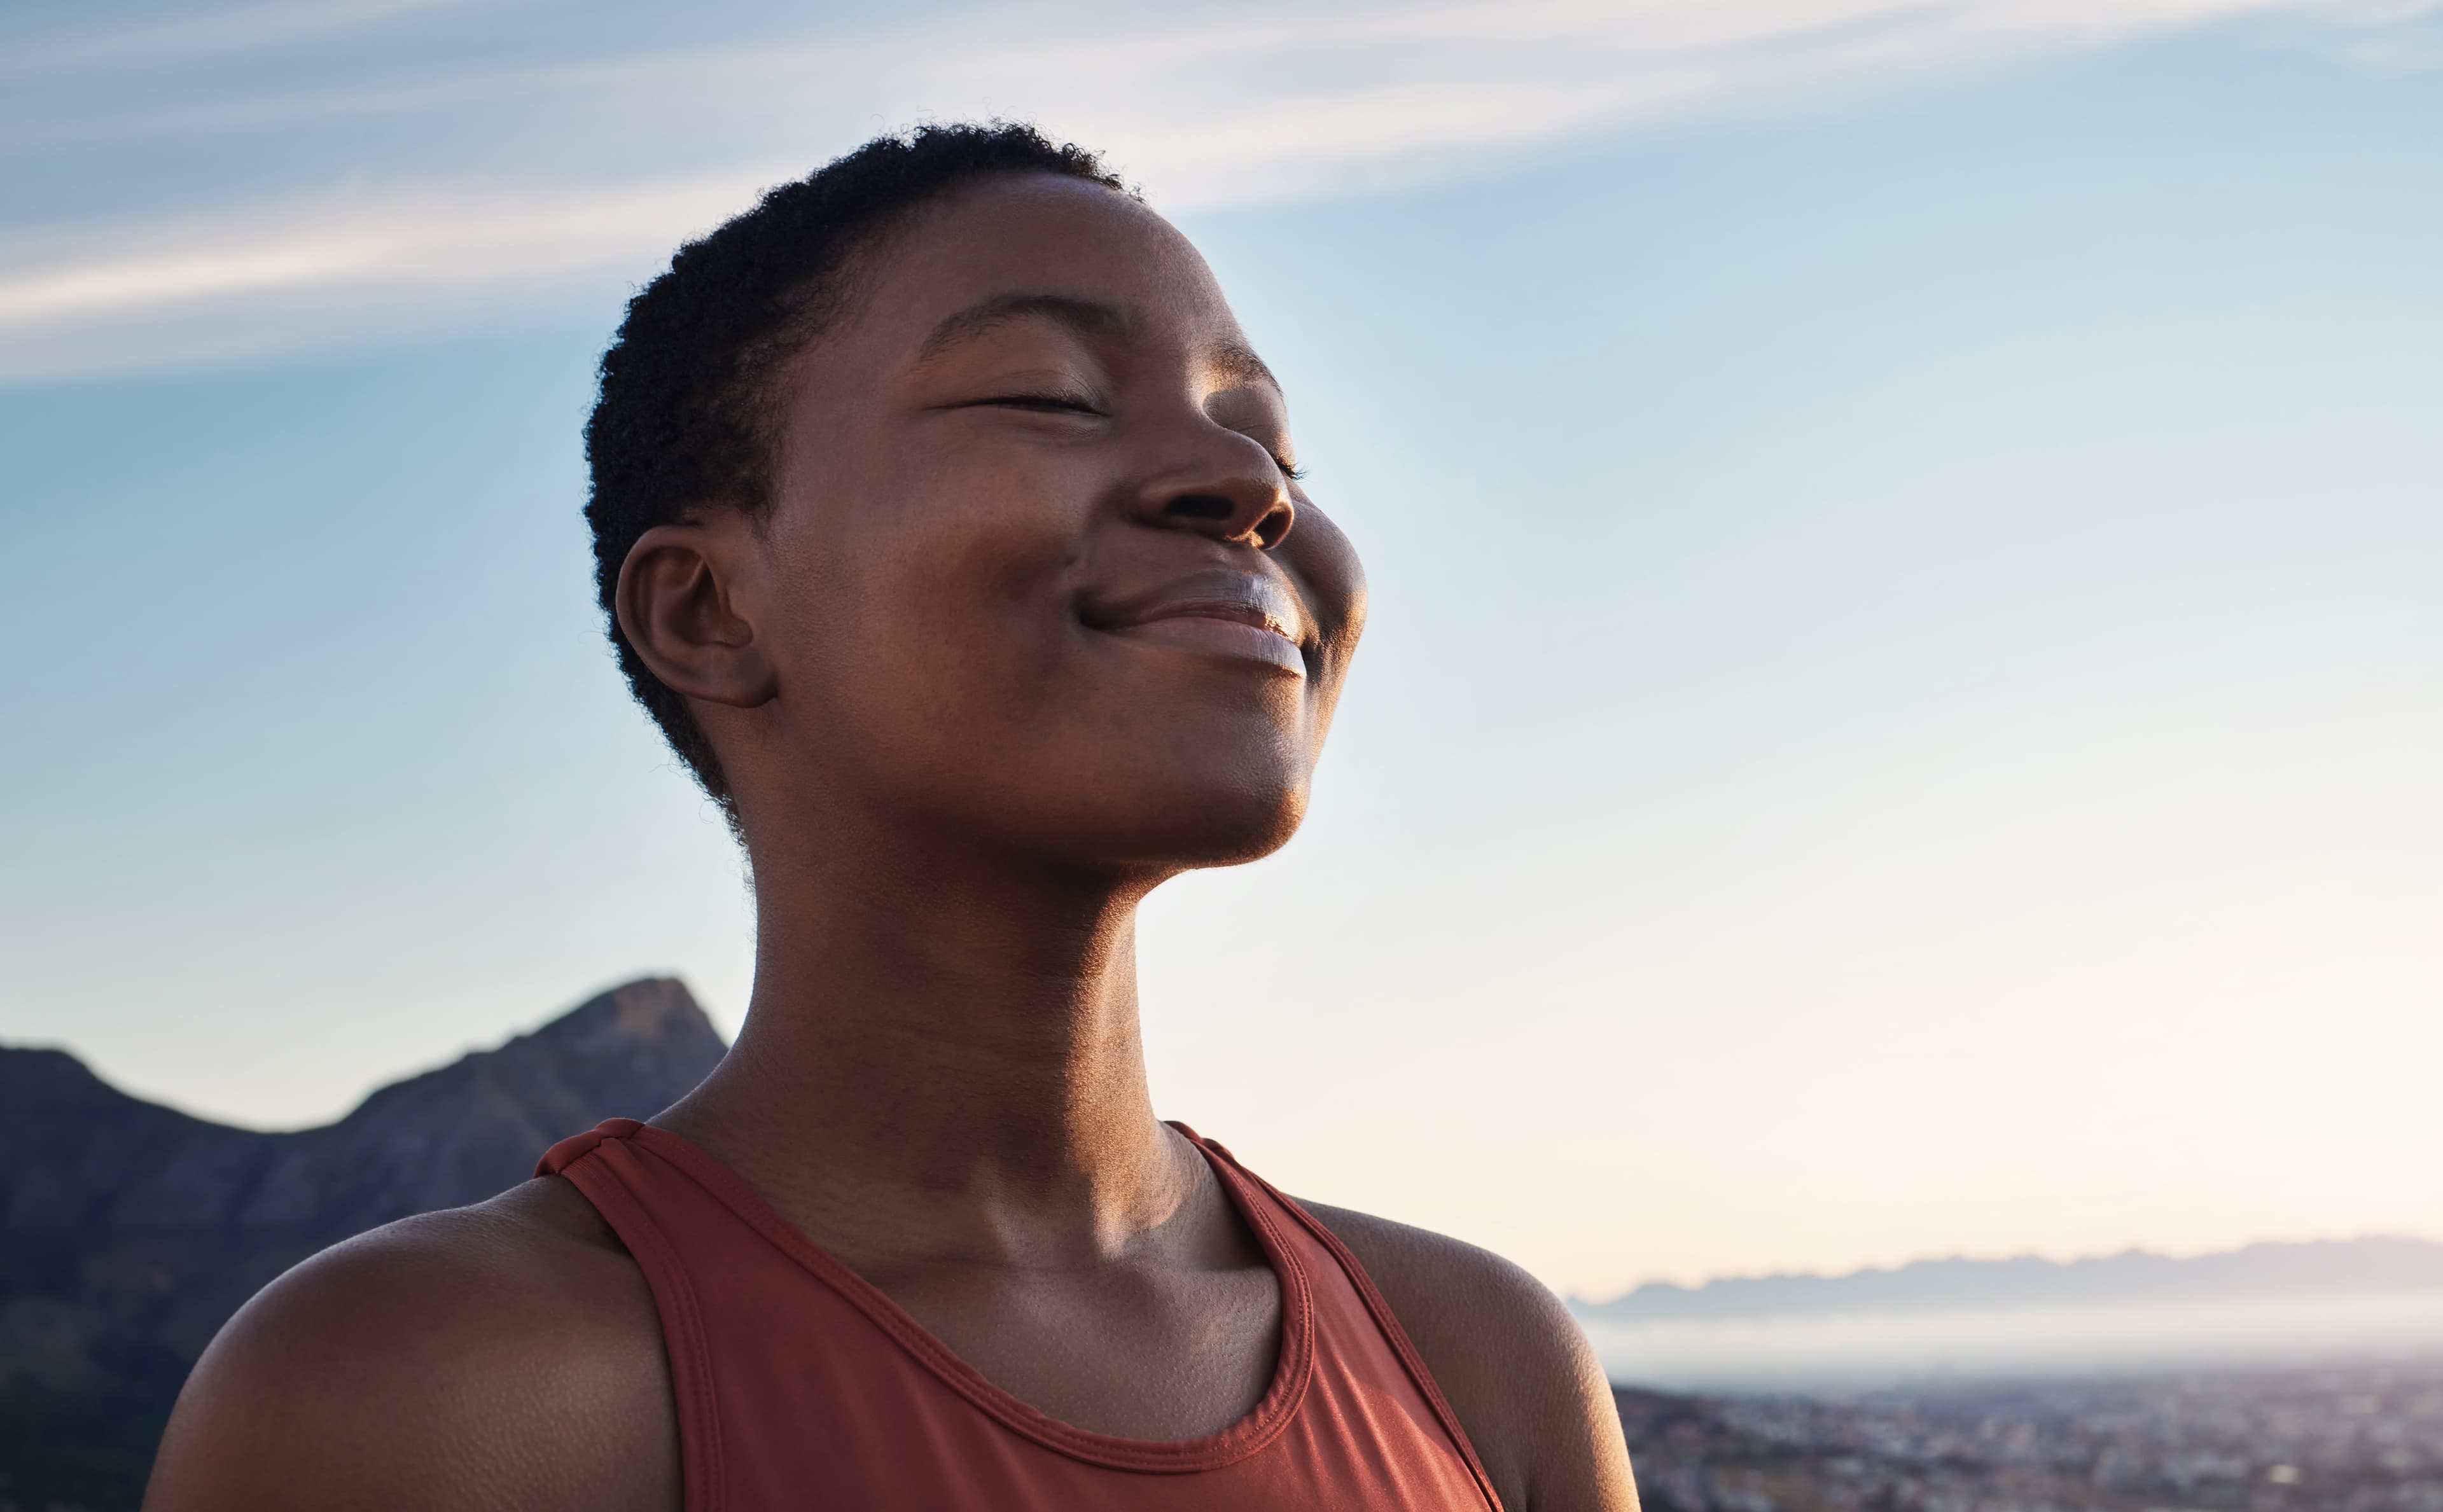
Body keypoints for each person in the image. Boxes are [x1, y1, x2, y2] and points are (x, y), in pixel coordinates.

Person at [143, 123, 1639, 1511]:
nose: (1247, 485)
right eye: (1050, 394)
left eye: (1272, 441)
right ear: (714, 609)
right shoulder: (430, 1398)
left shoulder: (1483, 1362)